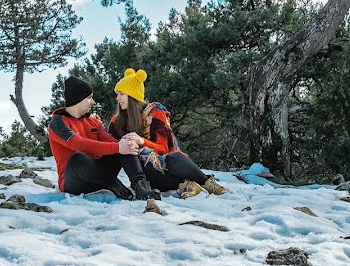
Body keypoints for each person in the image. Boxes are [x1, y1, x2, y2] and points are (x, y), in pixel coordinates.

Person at [107, 68, 229, 199]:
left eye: (121, 94)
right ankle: (187, 185)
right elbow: (108, 146)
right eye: (117, 94)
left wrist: (141, 141)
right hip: (151, 175)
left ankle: (207, 182)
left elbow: (163, 149)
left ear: (132, 96)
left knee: (173, 157)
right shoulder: (117, 121)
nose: (117, 98)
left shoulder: (156, 113)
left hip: (169, 166)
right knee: (141, 162)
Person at [48, 75, 161, 201]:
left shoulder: (93, 121)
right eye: (89, 98)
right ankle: (114, 185)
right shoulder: (57, 123)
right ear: (78, 99)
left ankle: (141, 187)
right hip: (74, 181)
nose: (93, 102)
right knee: (77, 157)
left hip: (99, 174)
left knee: (125, 144)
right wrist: (118, 147)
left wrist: (125, 145)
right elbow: (79, 144)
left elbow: (109, 140)